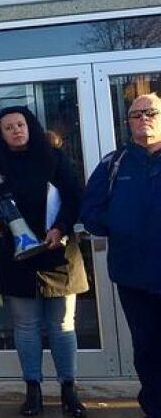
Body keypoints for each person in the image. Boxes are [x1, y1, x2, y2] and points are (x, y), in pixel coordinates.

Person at [0, 106, 87, 417]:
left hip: (58, 255)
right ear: (1, 134)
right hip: (17, 258)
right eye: (8, 127)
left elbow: (76, 196)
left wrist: (60, 226)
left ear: (30, 126)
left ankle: (69, 390)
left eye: (20, 124)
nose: (16, 130)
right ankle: (33, 389)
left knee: (62, 325)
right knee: (26, 327)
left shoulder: (54, 158)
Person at [81, 93, 161, 418]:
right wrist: (122, 225)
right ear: (128, 122)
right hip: (134, 276)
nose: (143, 118)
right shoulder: (112, 164)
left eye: (151, 111)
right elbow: (90, 211)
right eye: (135, 114)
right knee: (147, 347)